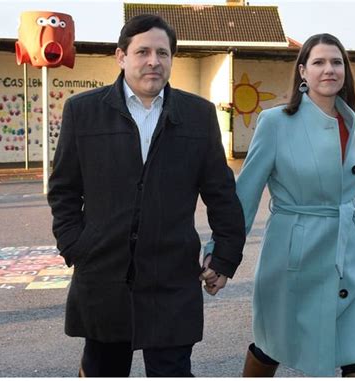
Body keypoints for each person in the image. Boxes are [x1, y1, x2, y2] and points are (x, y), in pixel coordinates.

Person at [206, 33, 355, 377]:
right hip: (294, 258)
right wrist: (221, 254)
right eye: (319, 62)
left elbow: (349, 184)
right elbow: (244, 195)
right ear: (303, 72)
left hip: (348, 256)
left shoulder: (353, 121)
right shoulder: (276, 122)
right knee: (270, 348)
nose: (329, 70)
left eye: (336, 62)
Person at [48, 14, 245, 377]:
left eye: (162, 53)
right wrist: (76, 245)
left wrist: (225, 257)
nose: (153, 61)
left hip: (172, 277)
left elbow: (221, 194)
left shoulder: (198, 116)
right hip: (103, 275)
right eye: (143, 52)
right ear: (121, 57)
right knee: (102, 370)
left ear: (172, 59)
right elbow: (63, 189)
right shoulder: (84, 111)